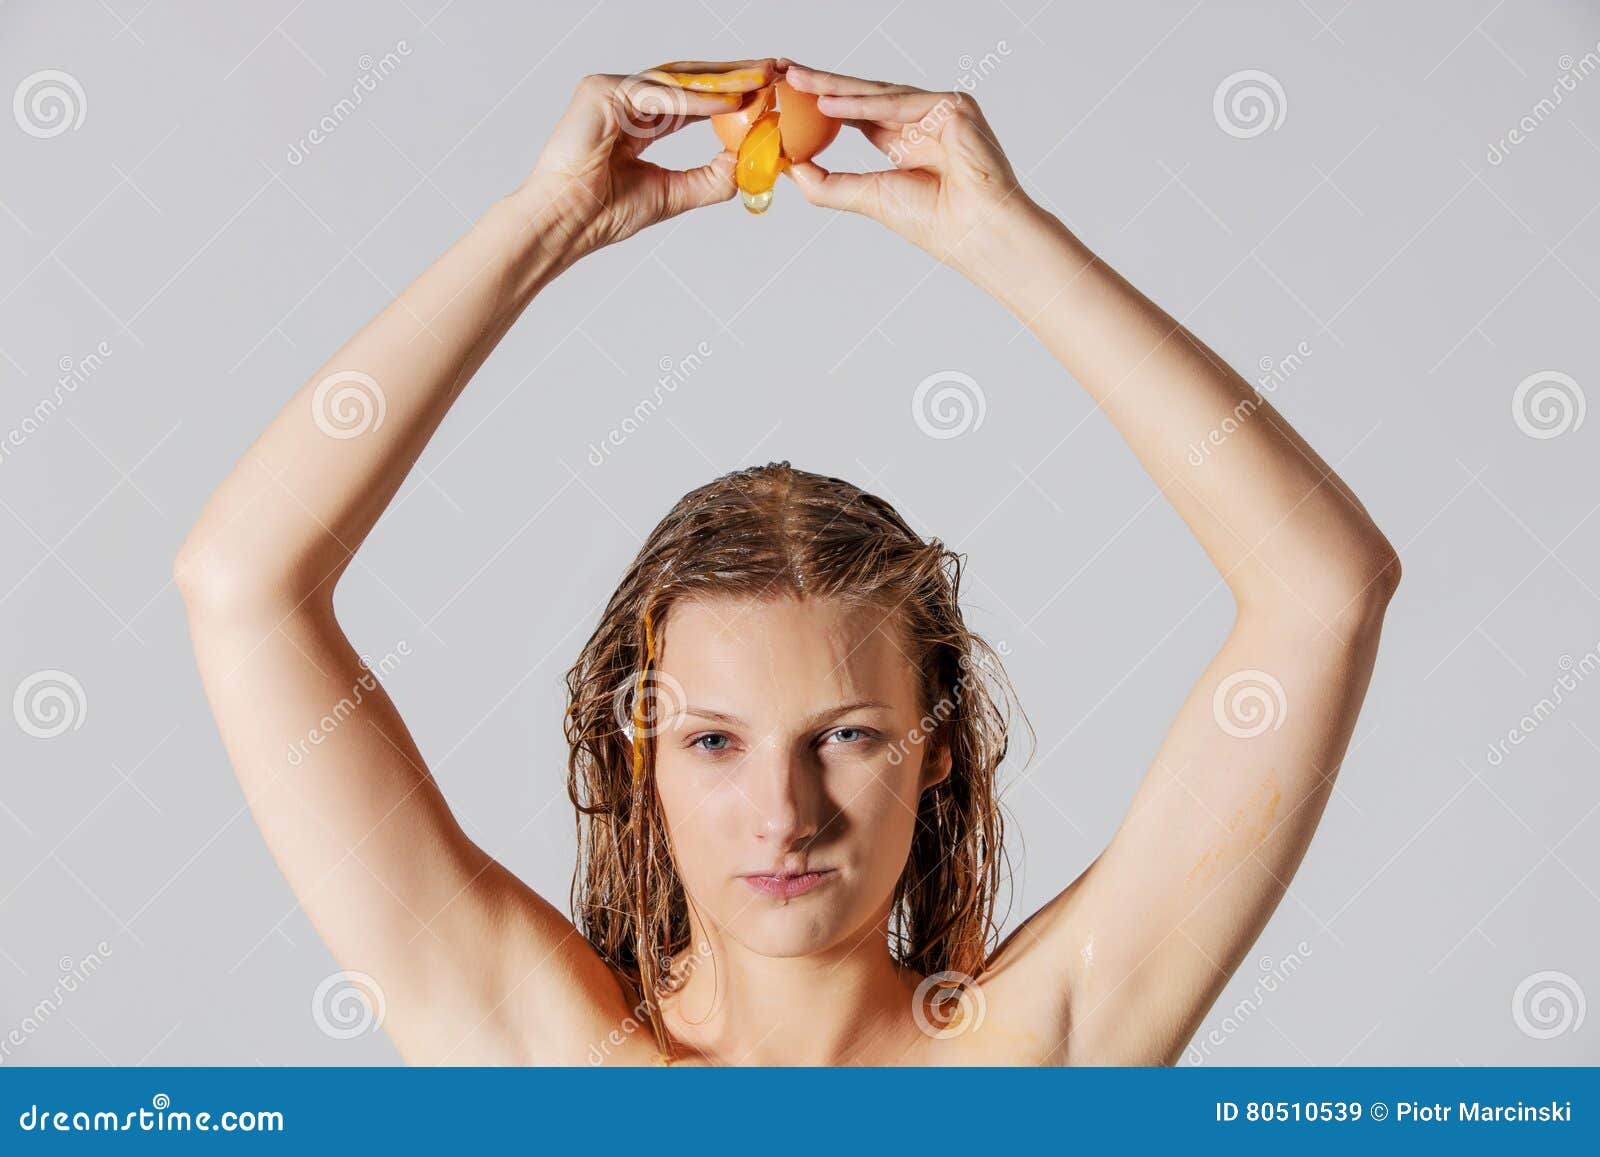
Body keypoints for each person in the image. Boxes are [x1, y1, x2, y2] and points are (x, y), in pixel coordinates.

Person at [175, 58, 1400, 1066]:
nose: (785, 814)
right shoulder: (541, 1060)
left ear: (938, 752)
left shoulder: (1037, 1052)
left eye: (849, 734)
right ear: (636, 753)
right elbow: (239, 583)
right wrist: (538, 226)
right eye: (713, 739)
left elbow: (1324, 588)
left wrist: (1003, 238)